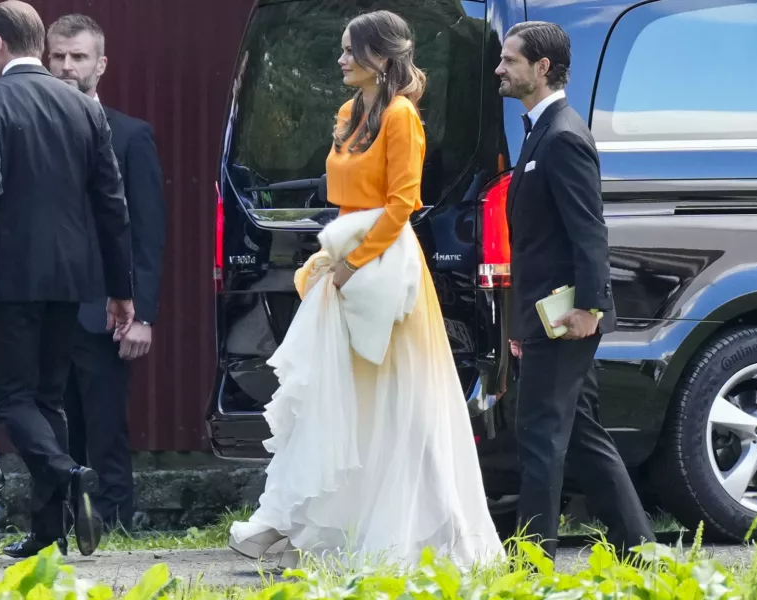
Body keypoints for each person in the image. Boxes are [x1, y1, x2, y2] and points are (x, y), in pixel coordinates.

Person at [228, 10, 505, 571]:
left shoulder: (402, 117)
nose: (341, 60)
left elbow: (403, 202)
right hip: (345, 259)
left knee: (397, 401)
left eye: (351, 50)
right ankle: (317, 523)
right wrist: (331, 256)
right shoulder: (348, 113)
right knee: (342, 399)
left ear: (381, 57)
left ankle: (412, 527)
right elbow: (342, 199)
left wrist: (354, 260)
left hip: (384, 269)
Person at [0, 0, 136, 559]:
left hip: (14, 274)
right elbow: (112, 203)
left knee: (14, 401)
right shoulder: (83, 108)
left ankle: (68, 473)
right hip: (73, 278)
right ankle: (49, 534)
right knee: (50, 401)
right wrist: (121, 291)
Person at [496, 21, 655, 559]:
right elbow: (539, 242)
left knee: (539, 438)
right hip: (544, 317)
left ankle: (529, 562)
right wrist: (521, 323)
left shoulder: (563, 135)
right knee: (582, 435)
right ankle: (642, 550)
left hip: (566, 318)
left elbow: (589, 230)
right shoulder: (541, 132)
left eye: (510, 60)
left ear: (542, 68)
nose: (500, 68)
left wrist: (590, 306)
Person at [47, 14, 166, 532]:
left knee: (106, 426)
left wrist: (145, 314)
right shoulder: (31, 128)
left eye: (79, 56)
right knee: (54, 426)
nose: (68, 66)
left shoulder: (131, 136)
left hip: (107, 311)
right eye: (59, 56)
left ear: (101, 64)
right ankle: (62, 522)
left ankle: (116, 521)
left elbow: (148, 233)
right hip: (48, 308)